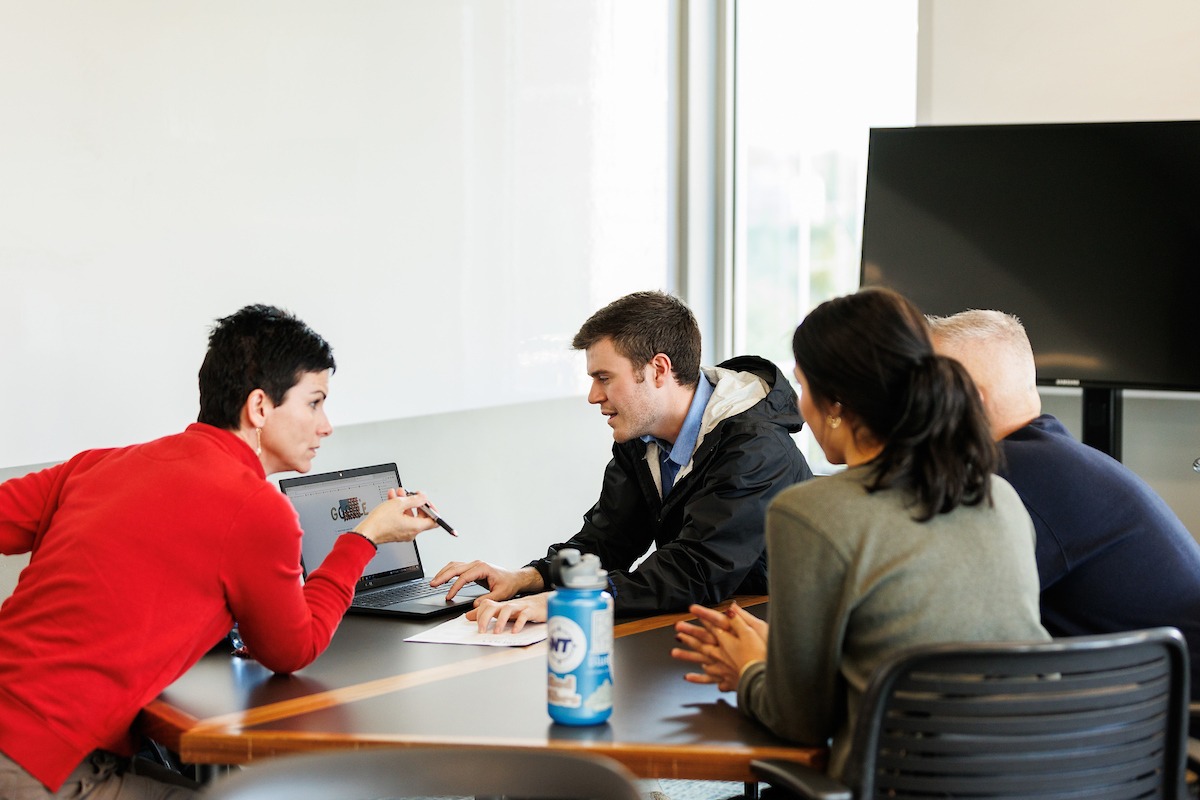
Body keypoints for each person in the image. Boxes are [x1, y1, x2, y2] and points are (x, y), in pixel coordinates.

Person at [0, 305, 440, 799]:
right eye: (315, 403)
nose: (326, 426)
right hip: (38, 761)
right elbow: (293, 649)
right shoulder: (256, 509)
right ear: (259, 407)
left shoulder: (98, 465)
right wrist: (364, 538)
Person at [671, 288, 1047, 780]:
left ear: (835, 404)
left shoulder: (809, 512)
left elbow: (801, 721)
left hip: (901, 783)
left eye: (802, 386)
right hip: (1036, 774)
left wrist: (750, 670)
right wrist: (780, 659)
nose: (799, 406)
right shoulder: (1000, 496)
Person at [432, 290, 812, 631]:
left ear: (658, 370)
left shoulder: (753, 446)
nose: (593, 396)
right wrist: (528, 577)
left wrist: (570, 601)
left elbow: (695, 570)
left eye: (604, 377)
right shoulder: (642, 437)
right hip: (713, 623)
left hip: (784, 635)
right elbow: (608, 540)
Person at [928, 308, 1200, 700]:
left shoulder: (1011, 476)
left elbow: (950, 613)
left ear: (968, 400)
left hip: (1171, 712)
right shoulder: (1050, 460)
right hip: (1152, 702)